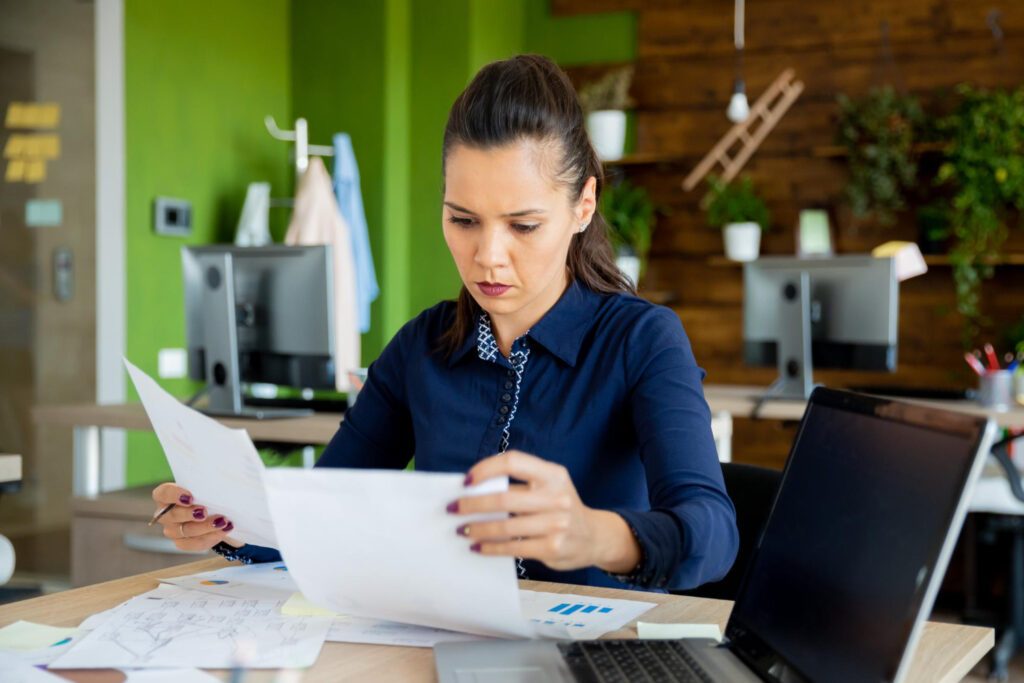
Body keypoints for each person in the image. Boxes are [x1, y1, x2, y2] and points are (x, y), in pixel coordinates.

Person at [151, 54, 737, 591]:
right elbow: (322, 512)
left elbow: (712, 532)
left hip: (590, 655)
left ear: (583, 205)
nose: (488, 256)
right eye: (463, 219)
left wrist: (595, 534)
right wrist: (225, 525)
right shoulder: (421, 348)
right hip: (444, 648)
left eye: (523, 225)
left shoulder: (642, 340)